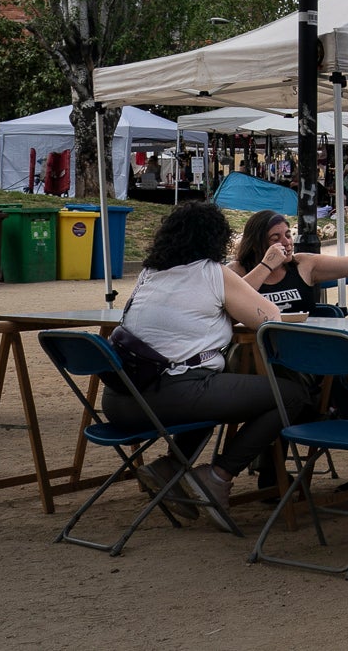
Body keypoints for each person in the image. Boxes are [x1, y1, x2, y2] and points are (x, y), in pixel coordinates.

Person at [103, 202, 309, 525]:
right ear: (216, 239)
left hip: (120, 398)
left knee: (215, 381)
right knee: (291, 394)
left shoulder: (149, 273)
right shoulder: (212, 273)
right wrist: (227, 308)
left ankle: (171, 467)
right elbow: (270, 318)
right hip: (169, 396)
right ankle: (218, 477)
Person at [234, 209, 348, 312]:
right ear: (256, 244)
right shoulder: (237, 271)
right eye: (275, 238)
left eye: (287, 235)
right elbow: (234, 301)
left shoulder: (303, 264)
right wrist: (266, 265)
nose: (286, 243)